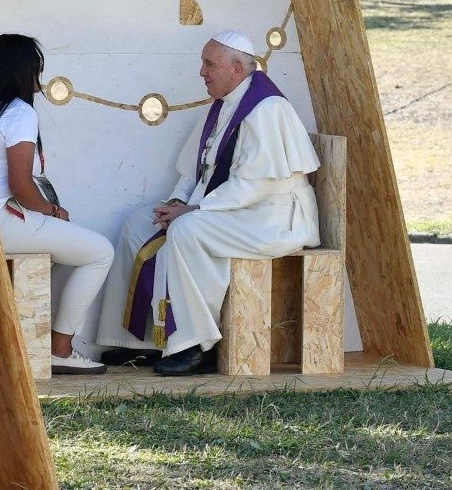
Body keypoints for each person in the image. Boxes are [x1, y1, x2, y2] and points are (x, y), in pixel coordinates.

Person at [96, 30, 321, 376]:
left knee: (187, 230)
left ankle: (196, 346)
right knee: (139, 224)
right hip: (232, 211)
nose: (202, 71)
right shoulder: (221, 105)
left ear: (236, 68)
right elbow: (195, 170)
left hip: (272, 218)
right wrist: (176, 202)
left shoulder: (267, 108)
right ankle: (146, 342)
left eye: (209, 64)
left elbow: (255, 185)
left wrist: (191, 211)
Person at [0, 34, 114, 374]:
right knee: (100, 253)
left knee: (68, 254)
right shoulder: (19, 113)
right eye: (37, 68)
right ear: (24, 71)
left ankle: (37, 343)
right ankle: (60, 349)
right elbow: (21, 185)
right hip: (2, 220)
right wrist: (53, 212)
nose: (39, 78)